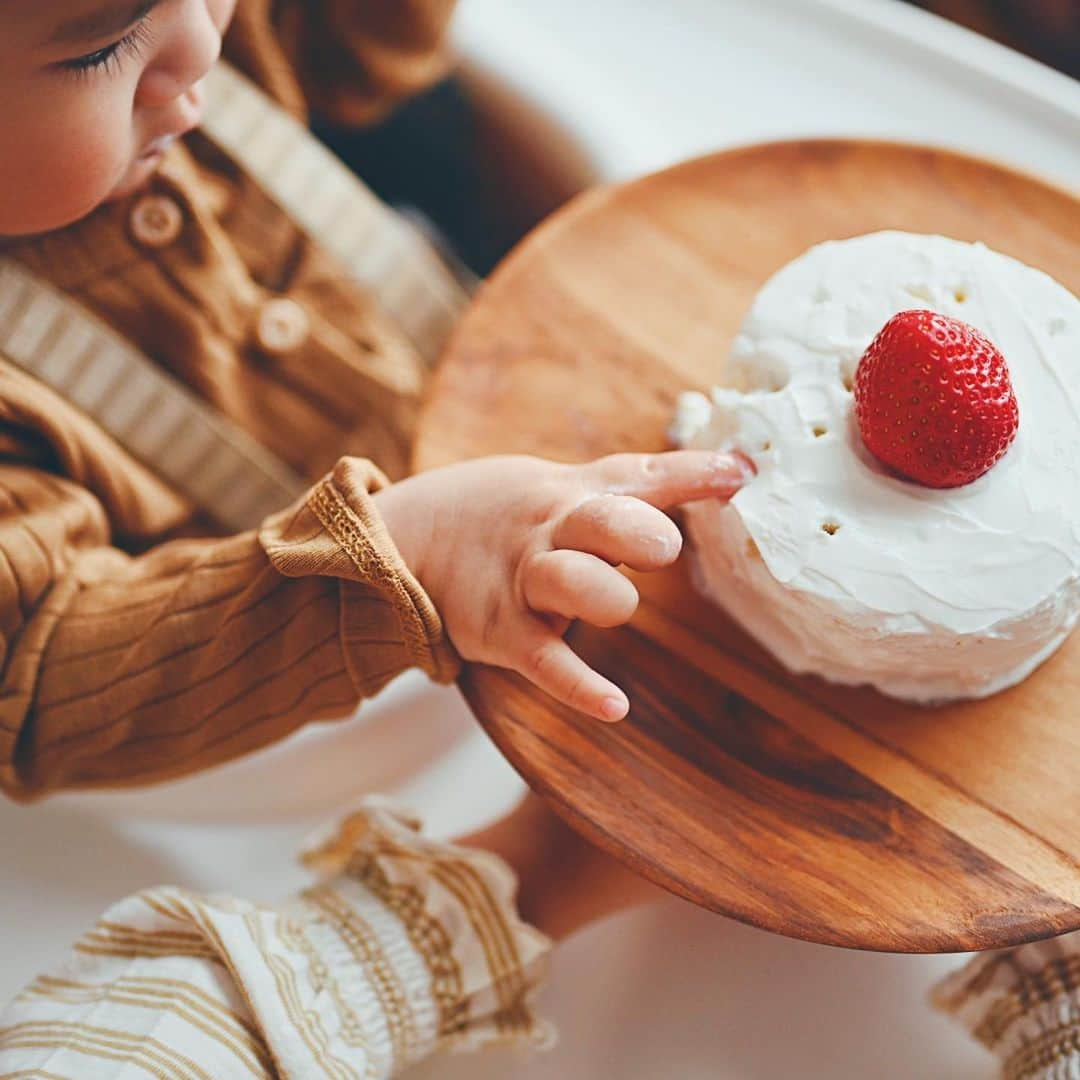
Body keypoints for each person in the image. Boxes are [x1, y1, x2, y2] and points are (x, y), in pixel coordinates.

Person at [0, 3, 1075, 1077]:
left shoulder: (196, 60)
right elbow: (39, 674)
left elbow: (370, 42)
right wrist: (400, 563)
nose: (199, 41)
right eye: (103, 45)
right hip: (343, 759)